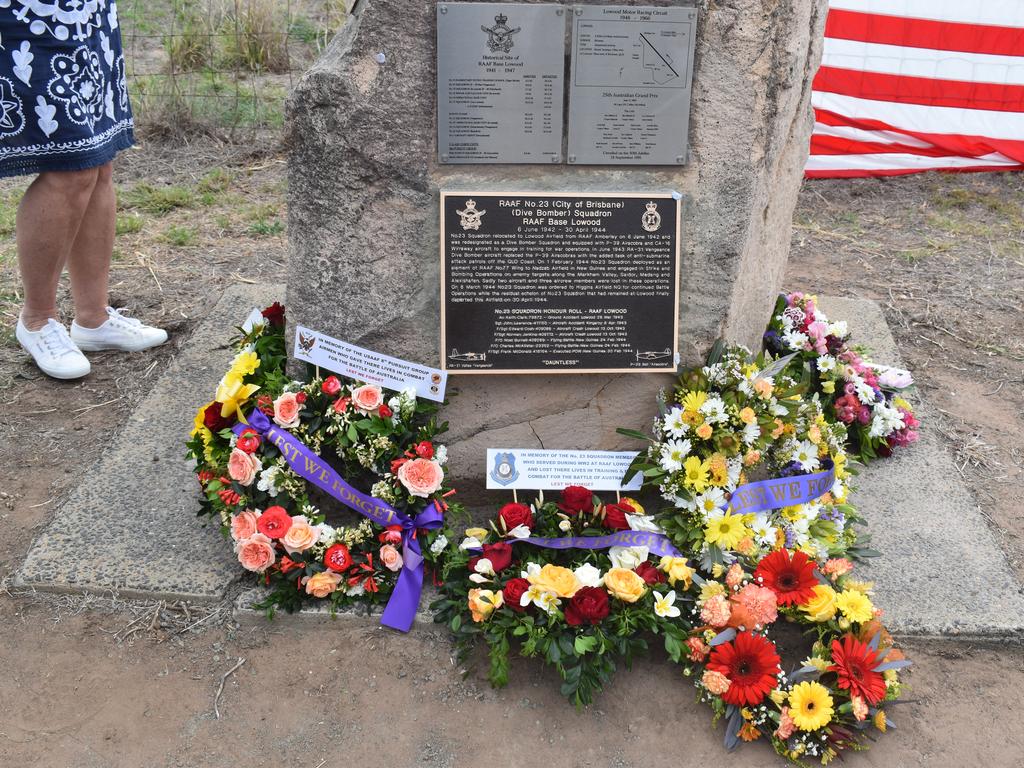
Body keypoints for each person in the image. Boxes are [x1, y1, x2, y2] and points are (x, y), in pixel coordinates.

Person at [1, 2, 166, 380]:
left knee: (98, 160)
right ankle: (37, 320)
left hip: (85, 15)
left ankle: (93, 319)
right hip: (25, 17)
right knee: (68, 167)